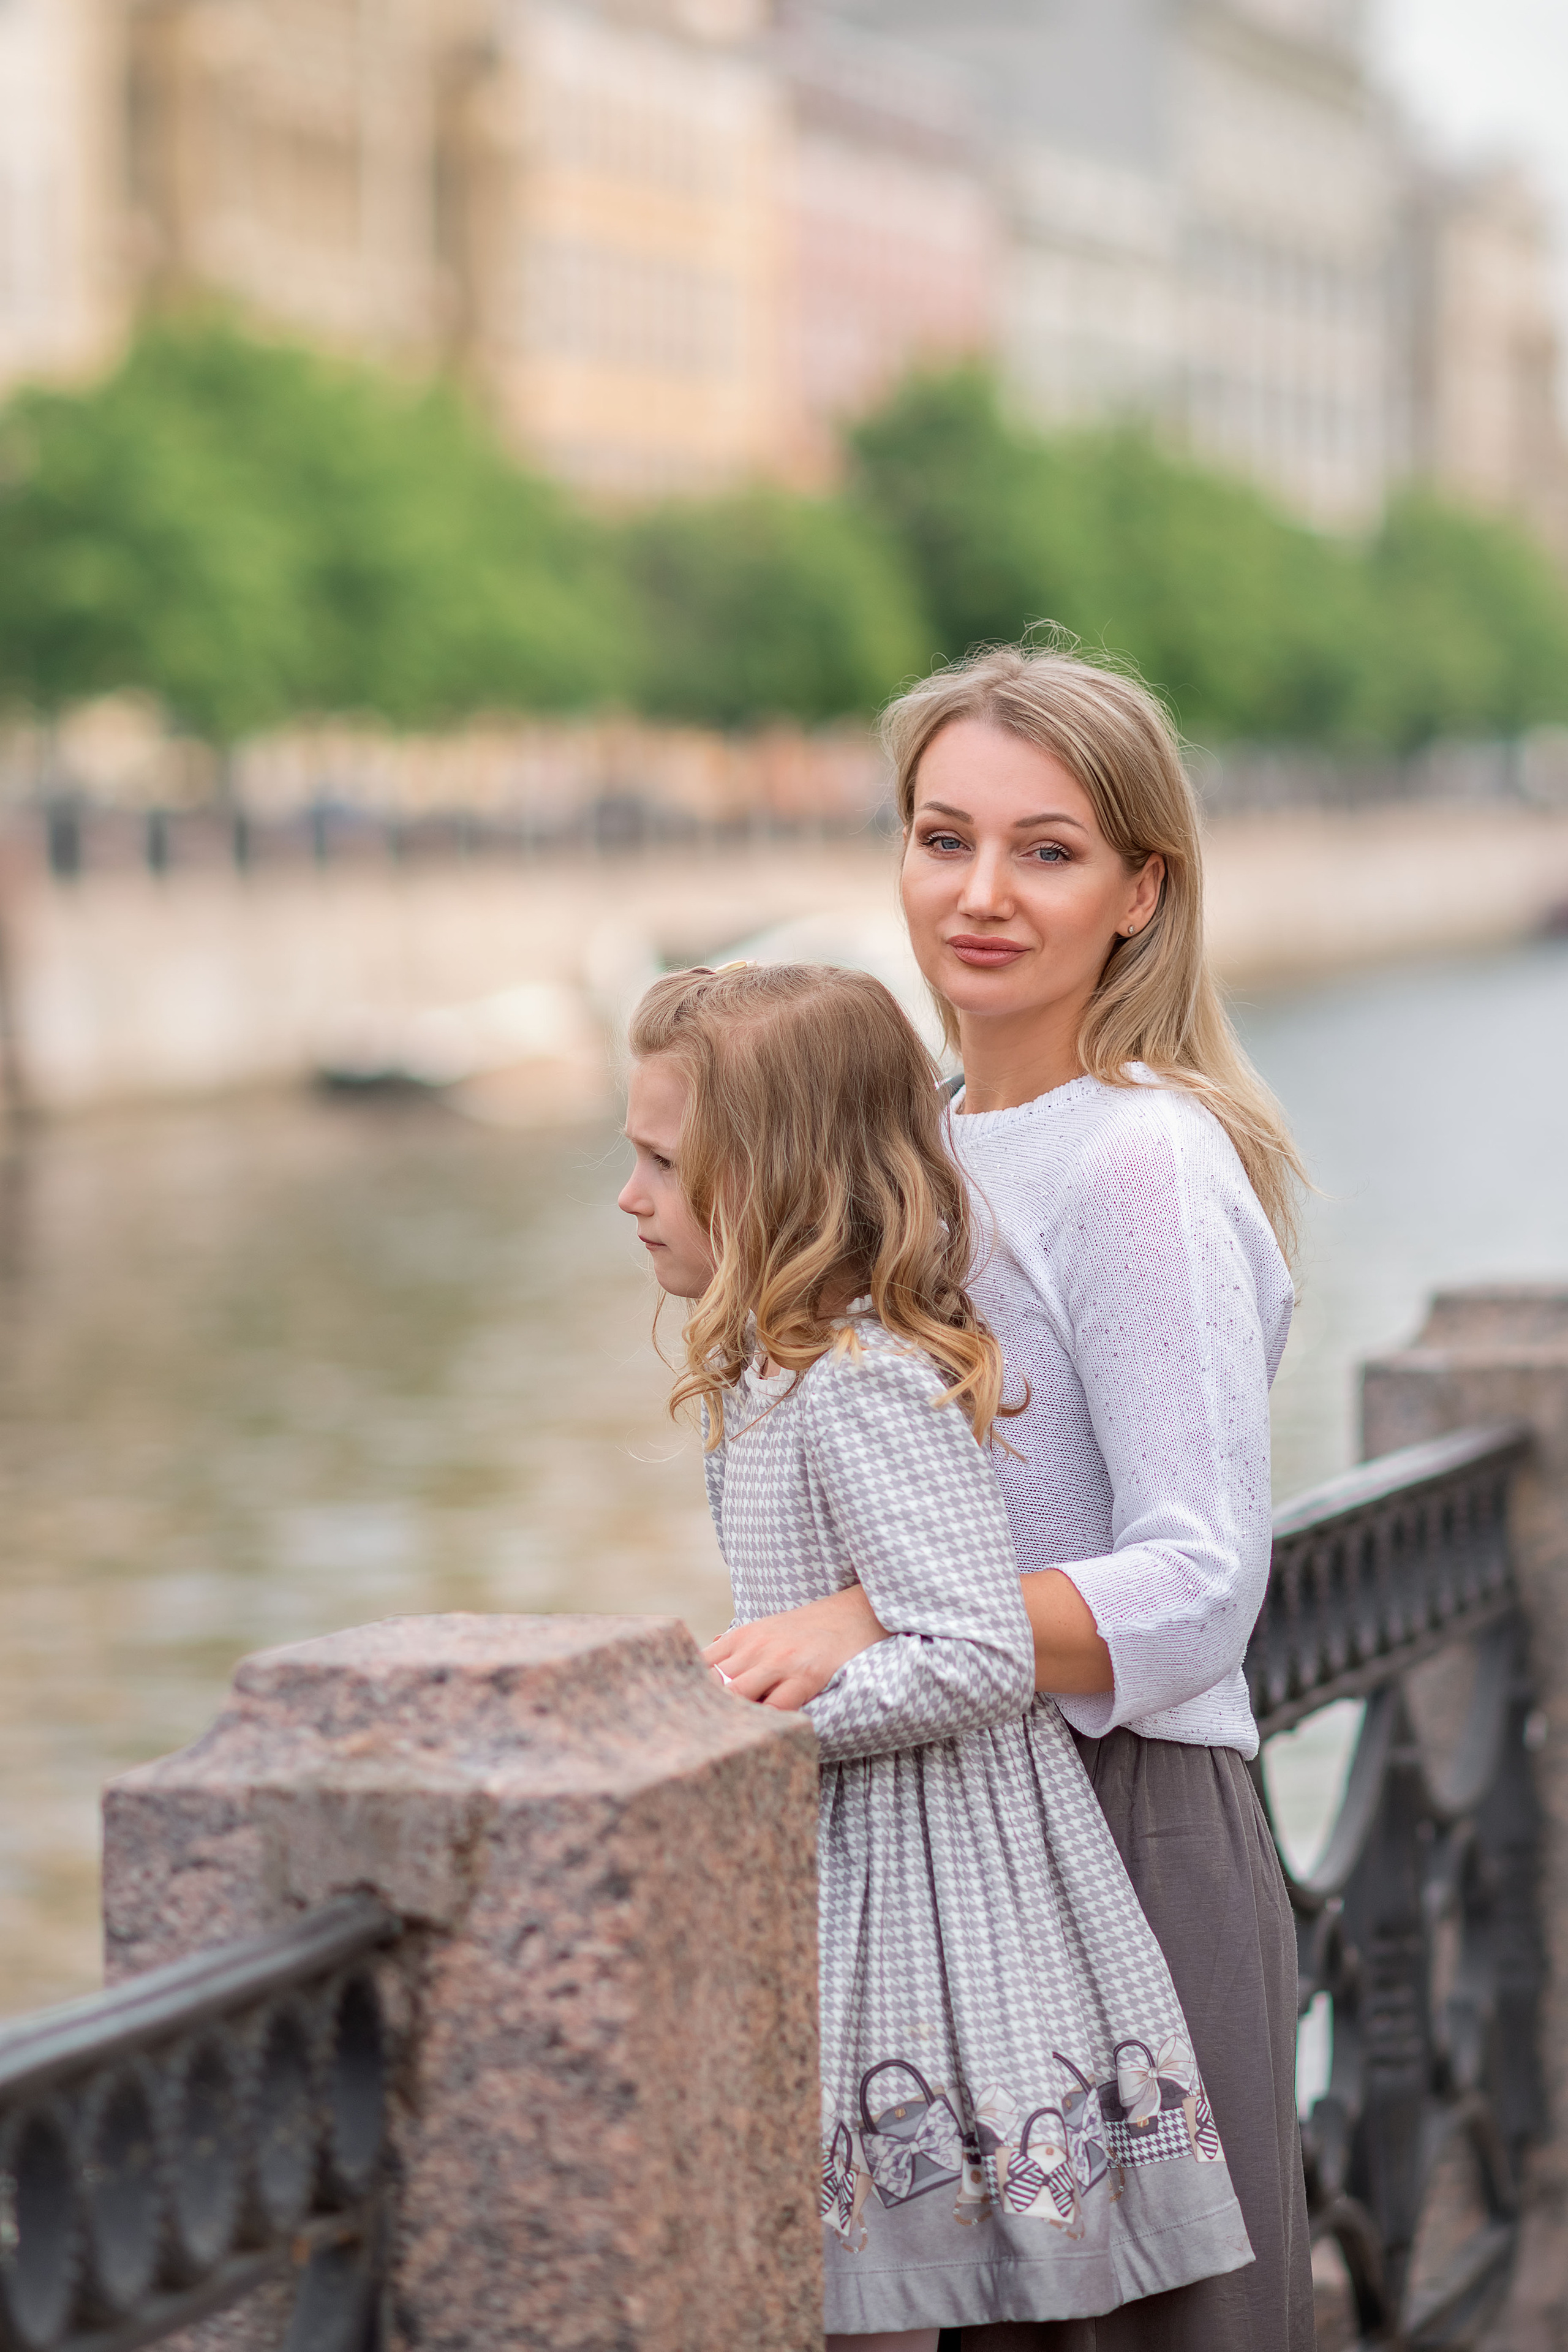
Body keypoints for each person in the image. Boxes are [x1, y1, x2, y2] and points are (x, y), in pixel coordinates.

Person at [703, 646, 1315, 2352]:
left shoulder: (1139, 1159)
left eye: (1045, 851)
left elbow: (1200, 1583)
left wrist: (873, 1620)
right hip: (952, 1826)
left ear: (1141, 888)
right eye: (941, 837)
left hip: (1125, 1821)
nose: (979, 895)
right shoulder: (936, 1137)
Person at [618, 961, 1254, 2351]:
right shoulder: (785, 1372)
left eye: (663, 1163)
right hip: (868, 1844)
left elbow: (968, 1652)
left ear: (770, 1179)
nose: (631, 1196)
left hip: (930, 1860)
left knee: (922, 2284)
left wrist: (769, 1725)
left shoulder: (859, 1385)